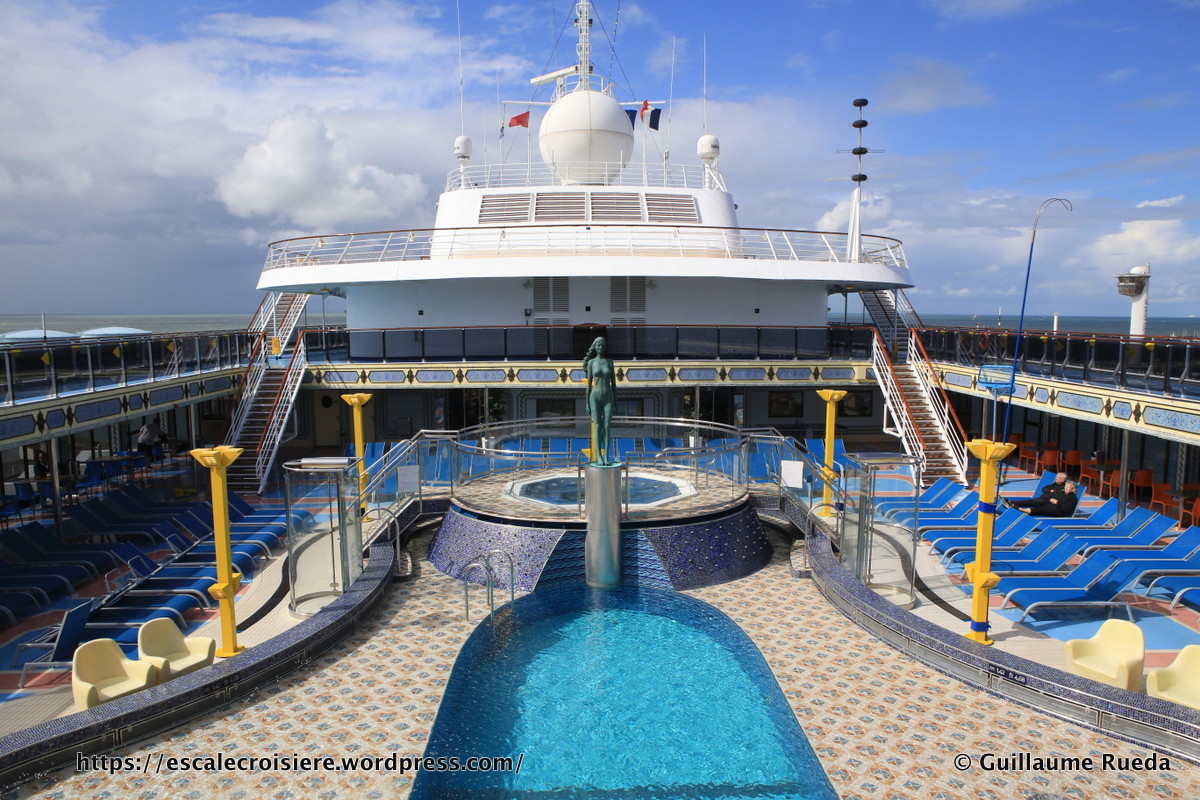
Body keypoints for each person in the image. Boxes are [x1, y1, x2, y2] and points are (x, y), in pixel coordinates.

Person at [583, 337, 616, 466]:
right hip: (595, 396)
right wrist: (586, 402)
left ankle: (606, 456)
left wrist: (616, 400)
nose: (600, 348)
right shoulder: (591, 362)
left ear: (605, 347)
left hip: (608, 396)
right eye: (598, 346)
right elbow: (589, 385)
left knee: (607, 426)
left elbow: (614, 384)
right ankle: (598, 456)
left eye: (602, 346)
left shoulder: (610, 362)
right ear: (595, 347)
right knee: (598, 426)